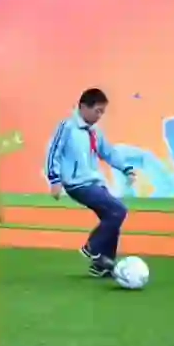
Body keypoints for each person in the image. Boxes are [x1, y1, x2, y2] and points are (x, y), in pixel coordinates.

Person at [45, 87, 135, 277]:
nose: (99, 116)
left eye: (102, 112)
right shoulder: (67, 127)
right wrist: (54, 179)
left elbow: (108, 152)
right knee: (118, 210)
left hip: (95, 183)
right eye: (97, 111)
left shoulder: (95, 132)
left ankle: (102, 265)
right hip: (78, 184)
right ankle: (92, 246)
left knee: (112, 218)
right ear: (83, 107)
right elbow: (53, 152)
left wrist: (126, 168)